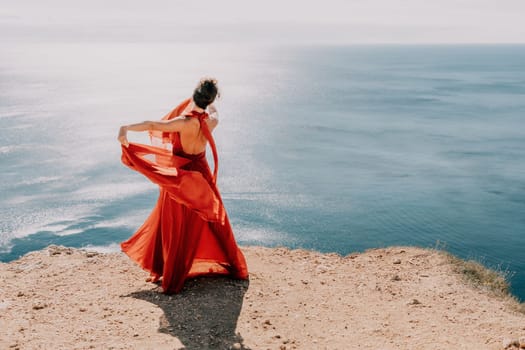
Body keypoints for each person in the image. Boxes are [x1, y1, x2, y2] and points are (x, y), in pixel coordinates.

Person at [117, 78, 248, 294]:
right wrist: (209, 103)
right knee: (207, 221)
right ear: (211, 100)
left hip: (182, 179)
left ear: (194, 96)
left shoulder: (183, 122)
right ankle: (228, 263)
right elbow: (215, 112)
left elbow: (151, 125)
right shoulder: (210, 122)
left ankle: (172, 271)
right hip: (202, 176)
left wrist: (125, 128)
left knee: (175, 223)